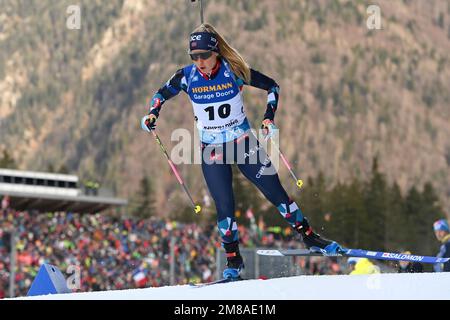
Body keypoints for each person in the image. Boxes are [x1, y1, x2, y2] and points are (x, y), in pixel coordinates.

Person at [141, 23, 344, 280]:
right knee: (225, 207)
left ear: (215, 52)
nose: (199, 61)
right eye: (194, 56)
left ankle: (310, 238)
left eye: (204, 55)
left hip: (243, 144)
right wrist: (152, 113)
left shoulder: (233, 71)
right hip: (211, 151)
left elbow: (273, 87)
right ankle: (233, 262)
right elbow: (160, 93)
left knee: (277, 194)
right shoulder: (186, 77)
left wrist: (268, 118)